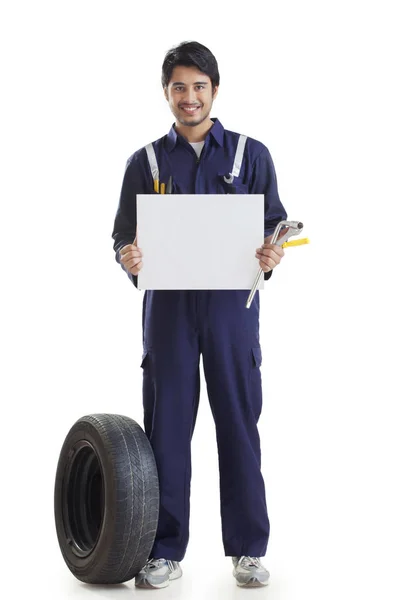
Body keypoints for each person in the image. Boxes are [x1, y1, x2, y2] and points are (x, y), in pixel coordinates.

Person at [111, 41, 287, 589]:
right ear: (167, 92)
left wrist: (272, 249)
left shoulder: (250, 155)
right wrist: (128, 256)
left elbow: (274, 223)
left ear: (215, 89)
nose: (190, 97)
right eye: (179, 87)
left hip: (232, 311)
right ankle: (163, 550)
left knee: (238, 424)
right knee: (166, 432)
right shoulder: (144, 162)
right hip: (168, 313)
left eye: (199, 86)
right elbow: (122, 236)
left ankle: (248, 551)